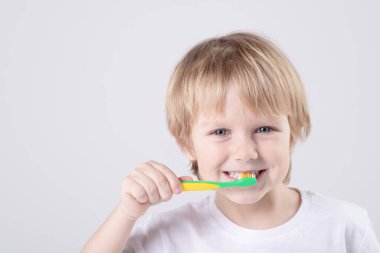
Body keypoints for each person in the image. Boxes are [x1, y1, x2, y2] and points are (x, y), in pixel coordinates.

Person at [81, 32, 380, 253]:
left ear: (294, 130)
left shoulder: (345, 227)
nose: (245, 153)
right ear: (186, 142)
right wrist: (127, 213)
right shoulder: (167, 235)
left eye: (264, 128)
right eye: (220, 132)